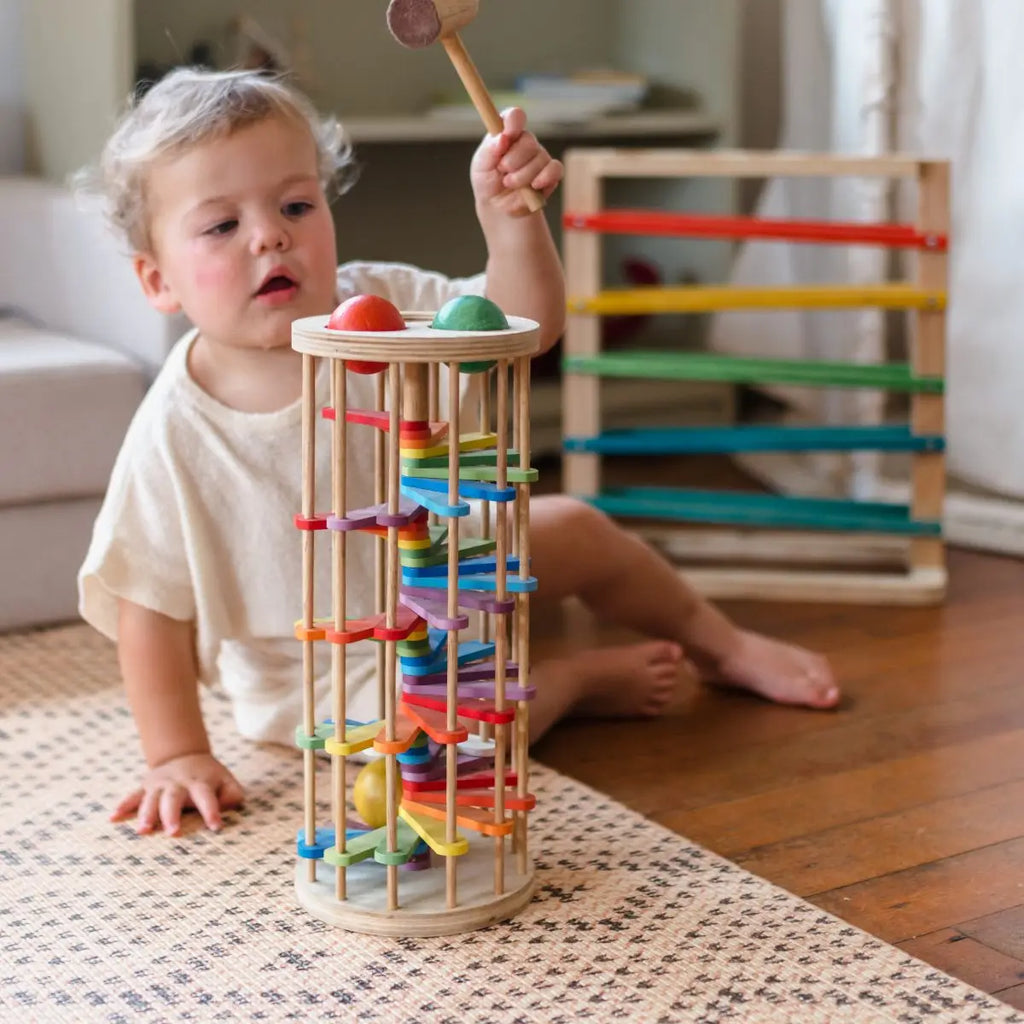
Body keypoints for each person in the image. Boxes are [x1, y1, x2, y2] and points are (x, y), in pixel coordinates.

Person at [78, 67, 838, 839]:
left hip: (448, 577)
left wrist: (510, 220)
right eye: (221, 226)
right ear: (158, 280)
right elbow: (148, 606)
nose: (270, 234)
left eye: (295, 205)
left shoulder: (381, 305)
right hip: (329, 673)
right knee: (440, 742)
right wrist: (175, 753)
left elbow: (521, 327)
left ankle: (723, 644)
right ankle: (569, 684)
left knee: (578, 524)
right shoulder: (176, 427)